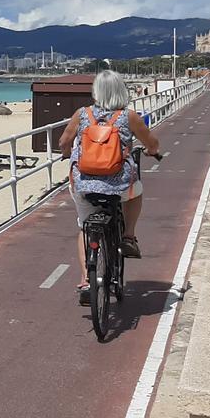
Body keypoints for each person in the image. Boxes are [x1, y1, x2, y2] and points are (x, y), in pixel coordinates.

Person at [58, 70, 159, 299]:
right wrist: (152, 151)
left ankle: (85, 281)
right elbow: (151, 143)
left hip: (84, 183)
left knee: (85, 227)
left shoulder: (82, 114)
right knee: (136, 193)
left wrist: (66, 153)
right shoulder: (128, 116)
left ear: (95, 92)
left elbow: (64, 141)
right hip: (119, 184)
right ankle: (129, 236)